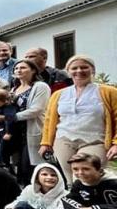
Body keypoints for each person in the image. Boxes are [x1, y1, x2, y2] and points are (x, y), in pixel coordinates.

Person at [39, 55, 117, 185]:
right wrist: (45, 143)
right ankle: (74, 198)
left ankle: (96, 199)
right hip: (63, 140)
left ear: (92, 70)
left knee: (86, 178)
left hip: (95, 141)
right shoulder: (59, 94)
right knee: (70, 181)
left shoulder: (109, 92)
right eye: (74, 68)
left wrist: (115, 143)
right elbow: (49, 120)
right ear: (68, 71)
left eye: (84, 67)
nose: (79, 71)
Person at [4, 59, 50, 184]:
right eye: (16, 68)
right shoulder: (14, 89)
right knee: (18, 166)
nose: (18, 70)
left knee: (32, 166)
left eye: (23, 68)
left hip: (32, 130)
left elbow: (37, 110)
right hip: (16, 133)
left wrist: (11, 117)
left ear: (33, 70)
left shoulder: (40, 86)